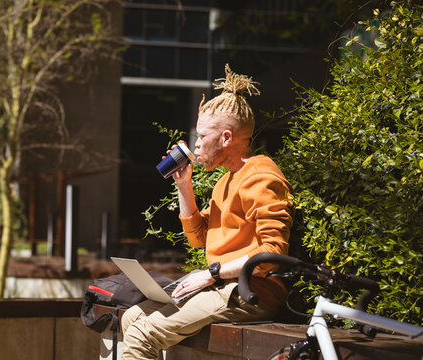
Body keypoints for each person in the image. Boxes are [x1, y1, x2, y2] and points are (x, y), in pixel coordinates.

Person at [120, 64, 294, 359]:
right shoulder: (225, 180)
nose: (196, 143)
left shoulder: (262, 177)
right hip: (223, 288)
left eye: (201, 136)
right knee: (131, 318)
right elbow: (200, 238)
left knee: (141, 334)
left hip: (250, 292)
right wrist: (184, 185)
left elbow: (273, 252)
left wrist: (211, 273)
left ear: (226, 138)